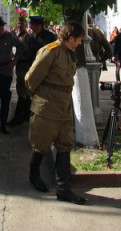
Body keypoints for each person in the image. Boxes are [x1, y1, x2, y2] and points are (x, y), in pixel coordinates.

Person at [25, 22, 86, 205]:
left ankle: (63, 189)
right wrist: (39, 98)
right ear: (71, 38)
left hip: (64, 106)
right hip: (47, 105)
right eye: (80, 40)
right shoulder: (51, 50)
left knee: (65, 144)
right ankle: (34, 175)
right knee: (41, 144)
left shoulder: (69, 52)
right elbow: (31, 78)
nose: (80, 44)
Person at [8, 16, 31, 126]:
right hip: (21, 67)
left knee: (22, 91)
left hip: (24, 67)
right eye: (18, 23)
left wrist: (16, 59)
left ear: (26, 25)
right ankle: (26, 114)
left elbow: (26, 53)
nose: (20, 25)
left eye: (22, 24)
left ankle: (18, 117)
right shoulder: (20, 36)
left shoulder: (26, 37)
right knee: (24, 91)